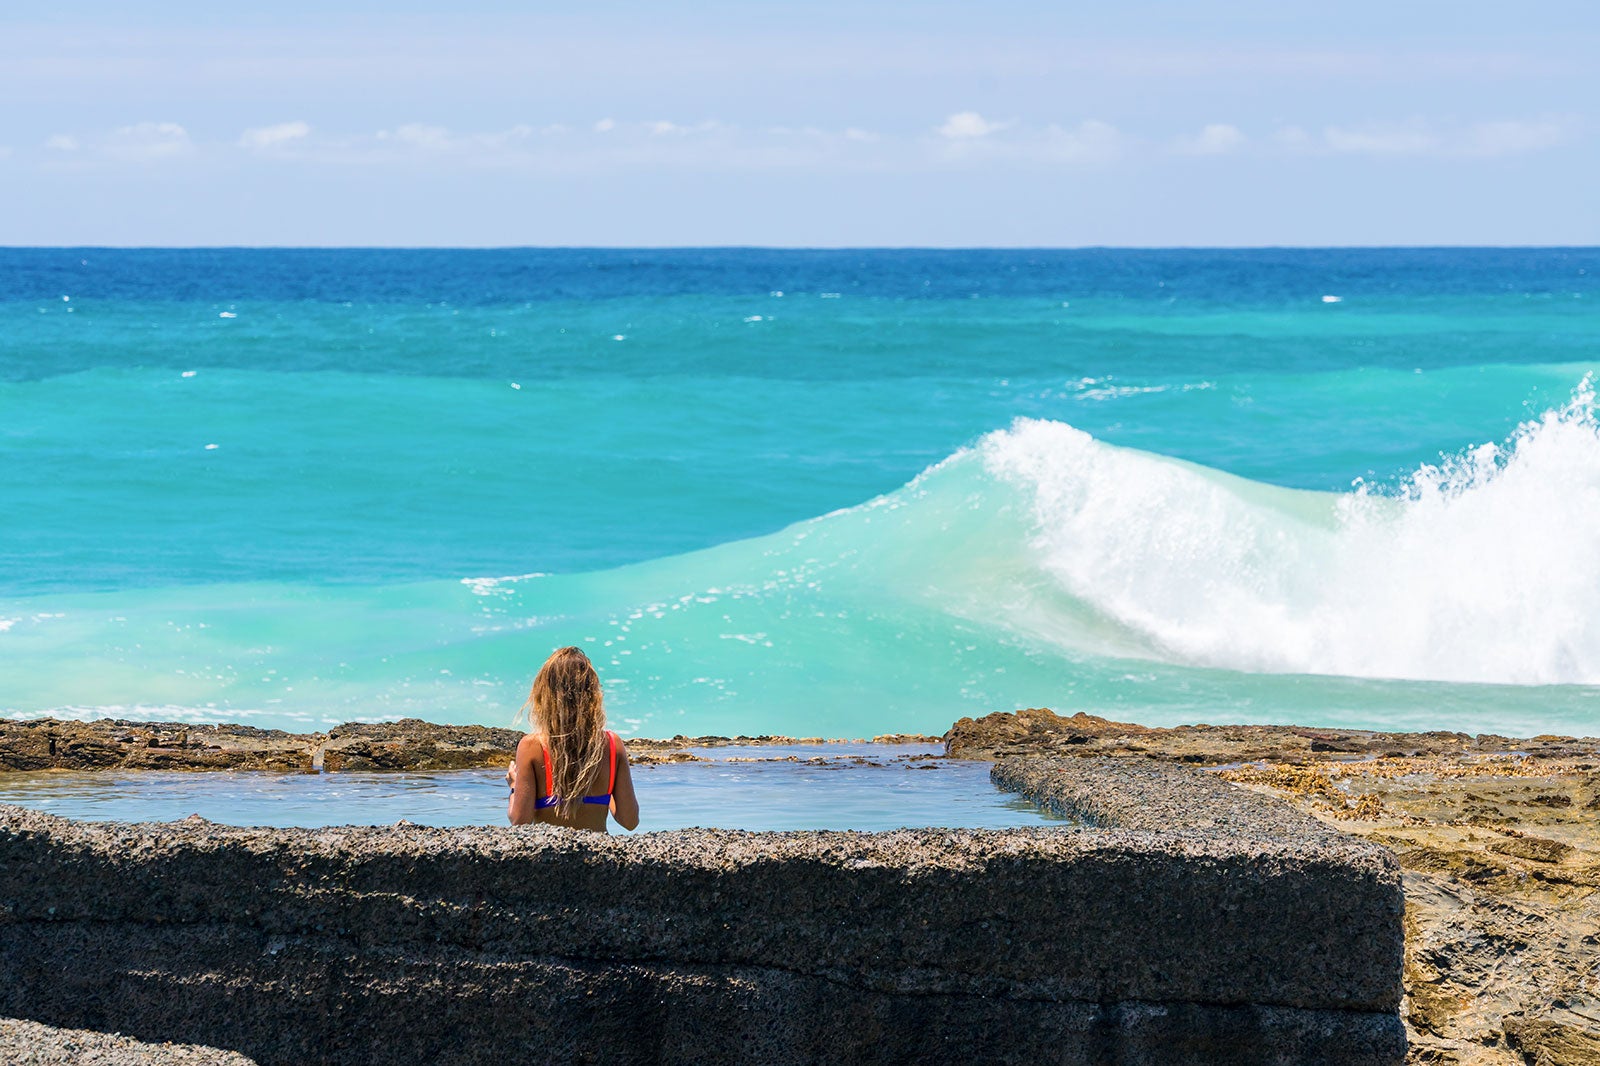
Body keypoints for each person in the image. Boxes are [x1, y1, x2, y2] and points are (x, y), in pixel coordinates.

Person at [506, 646, 640, 832]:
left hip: (550, 857)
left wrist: (514, 787)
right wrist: (604, 789)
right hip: (600, 856)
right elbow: (630, 821)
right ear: (592, 693)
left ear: (544, 693)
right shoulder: (610, 744)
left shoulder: (532, 746)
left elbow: (520, 820)